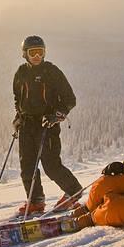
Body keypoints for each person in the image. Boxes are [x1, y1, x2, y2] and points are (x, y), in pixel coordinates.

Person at [12, 35, 84, 217]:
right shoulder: (20, 73)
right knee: (26, 165)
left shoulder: (52, 72)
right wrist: (18, 116)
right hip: (27, 125)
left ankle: (73, 191)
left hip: (47, 124)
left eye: (40, 52)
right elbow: (17, 99)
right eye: (32, 52)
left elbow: (70, 99)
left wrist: (57, 115)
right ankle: (36, 201)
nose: (37, 56)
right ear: (25, 54)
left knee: (50, 164)